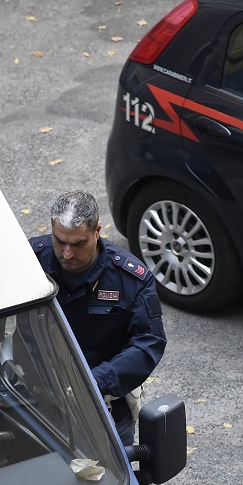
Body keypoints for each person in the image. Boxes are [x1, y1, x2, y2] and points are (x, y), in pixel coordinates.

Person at [29, 190, 166, 445]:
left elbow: (149, 342)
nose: (67, 253)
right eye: (60, 241)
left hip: (104, 404)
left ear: (97, 231)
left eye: (78, 244)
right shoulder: (28, 263)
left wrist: (95, 381)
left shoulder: (131, 279)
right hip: (36, 399)